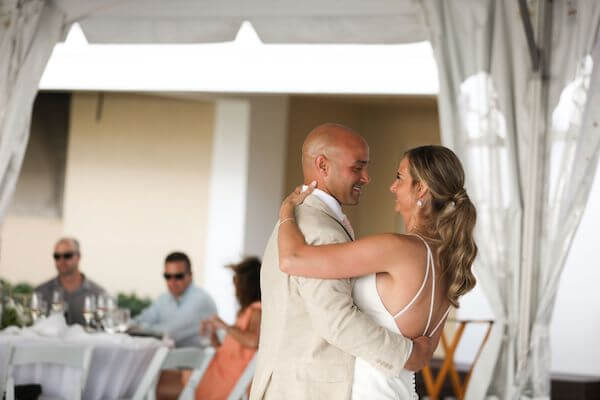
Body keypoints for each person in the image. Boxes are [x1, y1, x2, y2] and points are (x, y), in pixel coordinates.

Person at [277, 144, 478, 399]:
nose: (392, 187)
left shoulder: (397, 248)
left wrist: (286, 211)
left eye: (399, 178)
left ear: (421, 188)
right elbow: (422, 354)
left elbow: (292, 259)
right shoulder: (446, 260)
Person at [249, 124, 432, 400]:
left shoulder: (298, 219)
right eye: (357, 168)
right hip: (308, 390)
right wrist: (408, 354)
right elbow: (336, 321)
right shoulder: (319, 229)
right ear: (322, 165)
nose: (367, 177)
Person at [183, 257, 261, 400]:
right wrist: (213, 337)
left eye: (236, 283)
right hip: (219, 374)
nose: (235, 290)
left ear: (246, 286)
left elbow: (253, 341)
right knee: (161, 377)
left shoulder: (256, 311)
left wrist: (224, 326)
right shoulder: (245, 313)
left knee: (158, 379)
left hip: (224, 382)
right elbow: (232, 352)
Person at [134, 251, 217, 347]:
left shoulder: (201, 300)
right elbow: (143, 319)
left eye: (178, 276)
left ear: (190, 276)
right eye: (167, 276)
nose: (172, 281)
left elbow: (169, 333)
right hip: (168, 356)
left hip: (192, 360)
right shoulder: (164, 298)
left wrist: (138, 328)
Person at [36, 237, 106, 325]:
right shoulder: (41, 293)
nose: (62, 260)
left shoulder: (99, 294)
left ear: (78, 257)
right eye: (57, 256)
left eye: (67, 255)